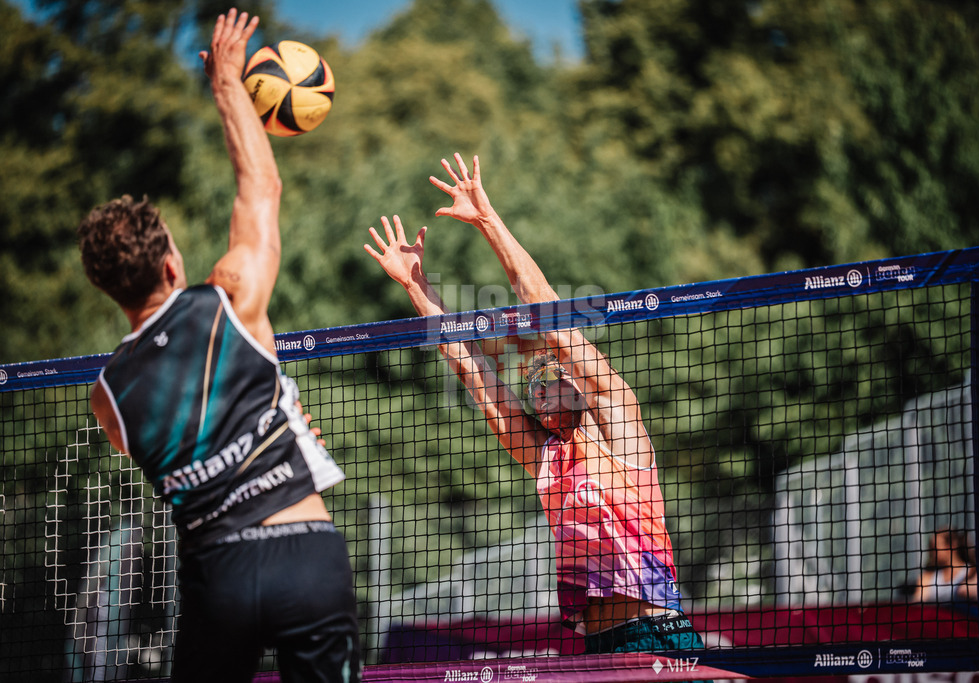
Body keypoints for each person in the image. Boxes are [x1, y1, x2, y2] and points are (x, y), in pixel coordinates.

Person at [77, 10, 360, 682]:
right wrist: (229, 86)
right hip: (305, 554)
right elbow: (261, 189)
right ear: (172, 263)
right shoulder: (231, 298)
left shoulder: (107, 398)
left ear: (105, 287)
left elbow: (182, 428)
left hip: (218, 572)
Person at [364, 153, 704, 655]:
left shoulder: (620, 424)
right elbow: (473, 372)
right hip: (598, 645)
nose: (541, 385)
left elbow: (544, 307)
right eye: (534, 383)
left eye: (554, 375)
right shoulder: (545, 458)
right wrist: (418, 285)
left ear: (582, 384)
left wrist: (486, 219)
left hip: (661, 636)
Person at [912, 527, 977, 603]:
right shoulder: (927, 578)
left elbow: (966, 592)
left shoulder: (972, 572)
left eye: (935, 548)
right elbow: (918, 602)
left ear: (952, 546)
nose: (932, 553)